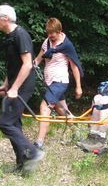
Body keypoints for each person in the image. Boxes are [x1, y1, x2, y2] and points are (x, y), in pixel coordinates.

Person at [0, 4, 45, 173]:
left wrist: (15, 88)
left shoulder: (20, 35)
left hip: (23, 86)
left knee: (5, 123)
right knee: (14, 123)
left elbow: (27, 64)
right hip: (15, 84)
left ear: (5, 18)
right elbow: (13, 66)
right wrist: (6, 84)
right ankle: (22, 164)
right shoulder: (10, 37)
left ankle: (33, 152)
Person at [33, 18, 83, 150]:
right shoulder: (47, 42)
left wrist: (78, 86)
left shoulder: (67, 45)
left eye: (52, 34)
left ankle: (39, 142)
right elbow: (38, 59)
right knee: (61, 109)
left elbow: (74, 66)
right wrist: (27, 67)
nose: (50, 36)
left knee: (45, 107)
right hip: (49, 82)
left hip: (60, 81)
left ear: (59, 31)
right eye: (48, 33)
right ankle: (78, 134)